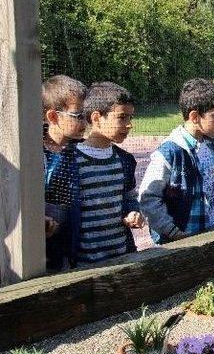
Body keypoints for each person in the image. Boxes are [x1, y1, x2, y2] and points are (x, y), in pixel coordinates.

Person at [46, 82, 144, 266]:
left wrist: (133, 212)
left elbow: (130, 198)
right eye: (122, 117)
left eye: (130, 117)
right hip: (83, 262)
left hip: (121, 255)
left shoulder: (125, 160)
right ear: (97, 118)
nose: (129, 125)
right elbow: (58, 209)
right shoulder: (68, 159)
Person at [139, 79, 214, 244]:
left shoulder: (210, 145)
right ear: (195, 117)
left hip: (210, 234)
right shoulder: (170, 152)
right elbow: (148, 198)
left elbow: (212, 183)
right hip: (181, 241)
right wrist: (171, 231)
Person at [42, 75, 87, 270]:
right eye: (78, 116)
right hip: (40, 248)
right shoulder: (31, 153)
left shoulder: (81, 151)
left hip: (75, 246)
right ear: (53, 117)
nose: (85, 122)